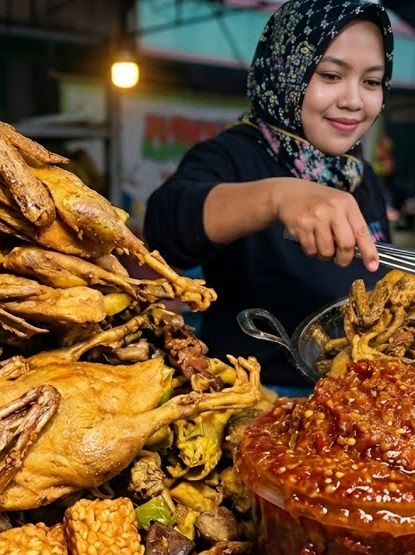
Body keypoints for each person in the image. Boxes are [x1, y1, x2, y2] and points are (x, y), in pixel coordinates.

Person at [143, 0, 394, 394]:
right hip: (258, 403)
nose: (354, 100)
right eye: (330, 75)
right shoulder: (233, 156)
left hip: (357, 397)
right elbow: (166, 224)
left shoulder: (359, 175)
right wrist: (280, 196)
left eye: (372, 81)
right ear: (284, 70)